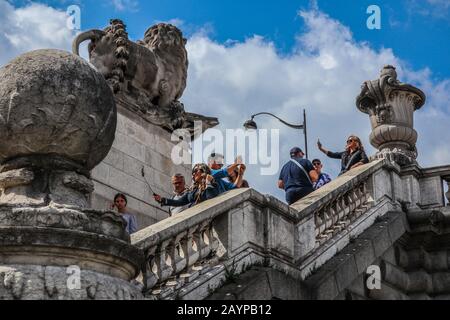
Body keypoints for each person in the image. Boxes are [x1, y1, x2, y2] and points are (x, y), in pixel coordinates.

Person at [153, 163, 220, 209]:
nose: (193, 173)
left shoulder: (213, 184)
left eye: (196, 171)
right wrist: (162, 200)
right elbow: (179, 202)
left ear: (203, 172)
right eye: (193, 172)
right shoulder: (193, 191)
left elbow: (211, 198)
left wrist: (208, 183)